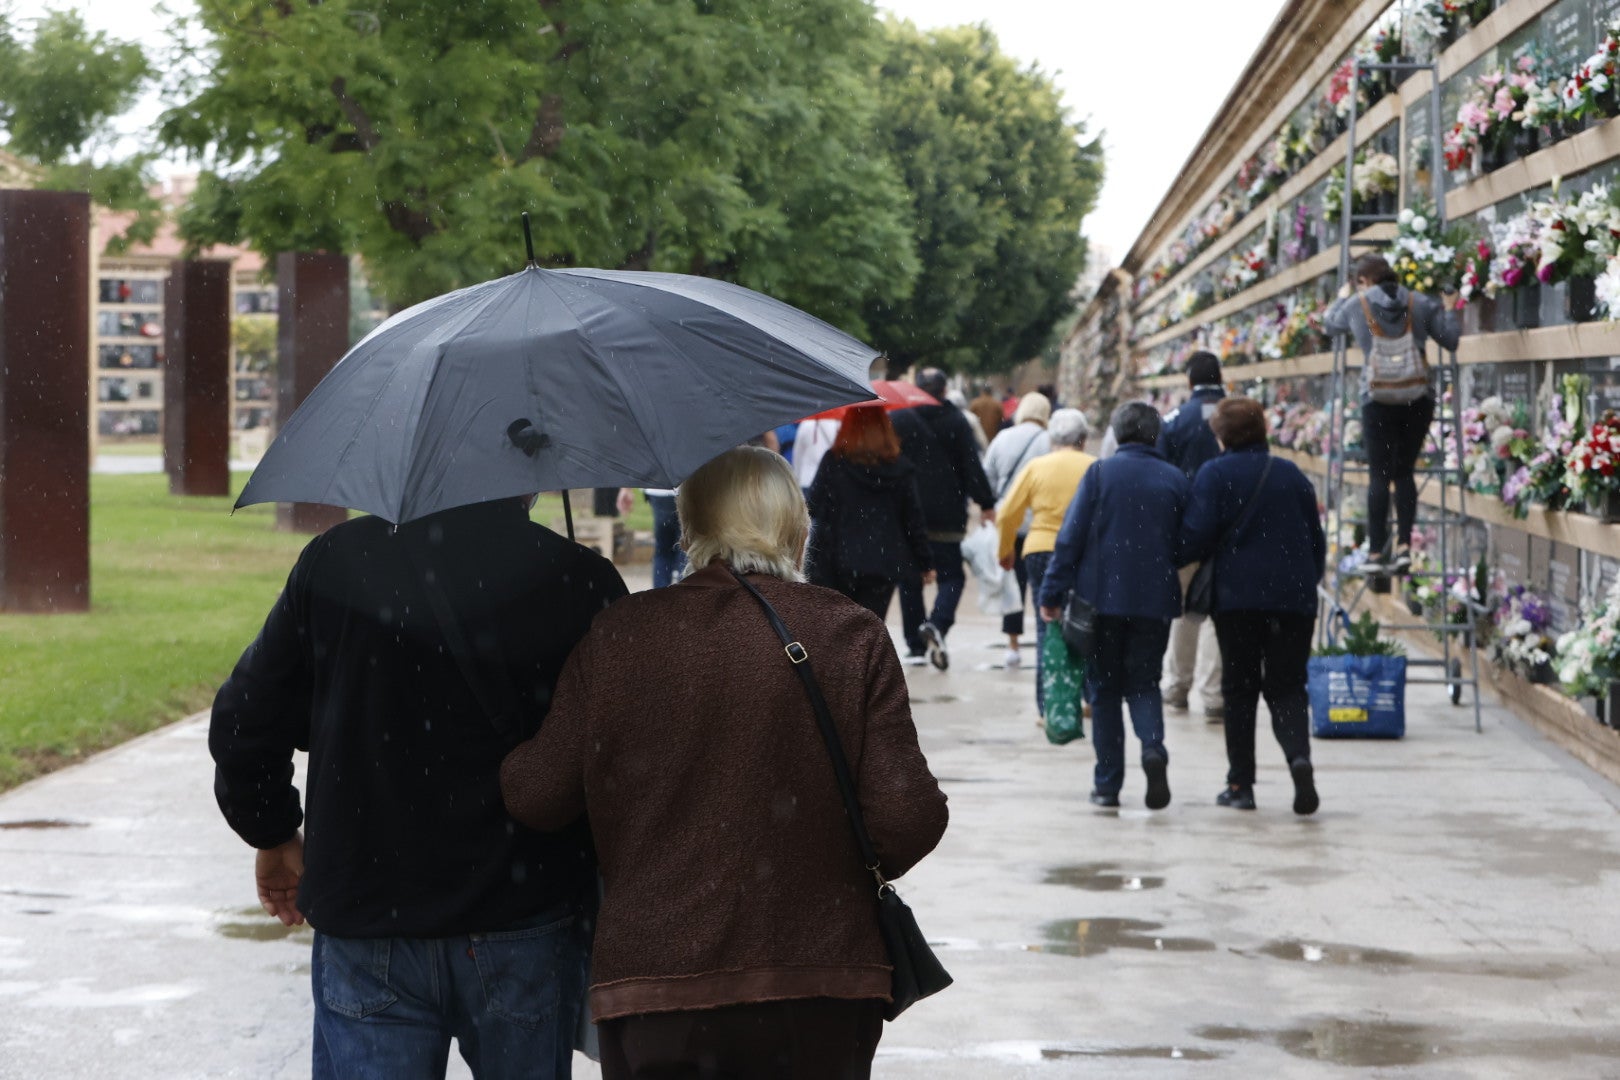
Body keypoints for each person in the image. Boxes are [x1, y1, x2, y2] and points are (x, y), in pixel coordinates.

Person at [500, 447, 948, 1080]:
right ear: (799, 529)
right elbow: (908, 816)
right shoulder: (851, 632)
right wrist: (824, 871)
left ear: (688, 529)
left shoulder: (622, 634)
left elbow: (537, 795)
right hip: (820, 985)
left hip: (657, 989)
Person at [209, 496, 628, 1079]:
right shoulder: (578, 580)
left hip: (368, 916)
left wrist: (272, 829)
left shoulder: (336, 563)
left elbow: (244, 721)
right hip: (524, 916)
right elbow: (622, 751)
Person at [1039, 402, 1189, 811]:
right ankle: (1153, 748)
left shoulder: (1100, 474)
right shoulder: (1175, 479)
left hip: (1101, 600)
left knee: (1104, 690)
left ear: (1118, 435)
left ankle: (1107, 785)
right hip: (1154, 601)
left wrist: (1051, 594)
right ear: (1156, 435)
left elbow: (1070, 539)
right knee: (1144, 683)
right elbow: (1187, 541)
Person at [1179, 398, 1326, 815]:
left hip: (1237, 599)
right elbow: (1315, 540)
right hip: (1293, 599)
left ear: (1222, 435)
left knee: (1239, 689)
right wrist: (1305, 583)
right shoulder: (1291, 475)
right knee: (1287, 686)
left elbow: (1195, 536)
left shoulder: (1214, 474)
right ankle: (1299, 758)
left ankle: (1241, 784)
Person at [1324, 252, 1461, 573]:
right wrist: (1450, 309)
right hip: (1418, 396)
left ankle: (1374, 553)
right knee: (1404, 473)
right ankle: (1403, 547)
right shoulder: (1421, 303)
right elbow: (1451, 341)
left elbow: (1329, 326)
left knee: (1379, 475)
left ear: (1364, 280)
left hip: (1377, 398)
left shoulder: (1357, 305)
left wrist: (1343, 295)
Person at [892, 367, 997, 671]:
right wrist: (986, 502)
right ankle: (937, 624)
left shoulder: (900, 421)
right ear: (943, 390)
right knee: (952, 576)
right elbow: (970, 464)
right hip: (948, 514)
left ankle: (913, 644)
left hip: (909, 513)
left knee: (910, 578)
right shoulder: (957, 422)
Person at [997, 408, 1094, 718]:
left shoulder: (1036, 467)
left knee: (1046, 626)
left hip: (1039, 549)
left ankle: (1047, 705)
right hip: (1083, 551)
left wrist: (1006, 547)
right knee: (1086, 622)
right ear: (1084, 437)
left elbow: (1007, 513)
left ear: (1052, 437)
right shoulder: (1095, 467)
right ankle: (1090, 697)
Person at [806, 404, 935, 619]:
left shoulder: (834, 462)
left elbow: (812, 506)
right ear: (886, 428)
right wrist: (925, 563)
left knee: (839, 627)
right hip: (882, 562)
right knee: (870, 629)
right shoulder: (901, 469)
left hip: (836, 559)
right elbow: (913, 521)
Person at [1157, 351, 1228, 722]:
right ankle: (1214, 695)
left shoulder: (1174, 420)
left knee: (1183, 609)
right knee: (1220, 612)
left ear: (1189, 381)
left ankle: (1177, 686)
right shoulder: (1238, 414)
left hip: (1185, 527)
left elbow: (1162, 472)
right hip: (1232, 528)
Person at [983, 392, 1054, 668]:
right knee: (1041, 586)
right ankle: (1044, 637)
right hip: (1040, 524)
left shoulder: (1003, 438)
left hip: (1009, 521)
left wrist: (992, 506)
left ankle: (1012, 645)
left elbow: (987, 477)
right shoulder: (1050, 442)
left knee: (1013, 586)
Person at [619, 487, 685, 588]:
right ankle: (685, 595)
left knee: (663, 549)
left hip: (658, 491)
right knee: (685, 549)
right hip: (685, 488)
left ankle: (660, 596)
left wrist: (626, 489)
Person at [793, 416, 841, 494]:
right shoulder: (838, 425)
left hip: (806, 479)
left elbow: (797, 455)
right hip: (828, 481)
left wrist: (797, 478)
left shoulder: (806, 424)